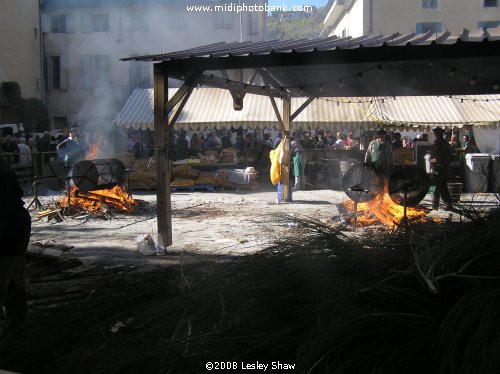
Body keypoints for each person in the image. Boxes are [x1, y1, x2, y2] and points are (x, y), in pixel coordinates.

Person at [0, 157, 31, 335]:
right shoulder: (3, 164)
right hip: (18, 222)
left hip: (8, 226)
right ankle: (18, 326)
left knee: (4, 282)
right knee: (15, 282)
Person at [430, 127, 452, 211]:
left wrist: (433, 161)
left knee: (434, 186)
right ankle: (448, 204)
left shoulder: (439, 143)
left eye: (436, 133)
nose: (435, 135)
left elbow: (438, 157)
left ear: (437, 134)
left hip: (438, 168)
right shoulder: (445, 143)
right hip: (443, 168)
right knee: (443, 187)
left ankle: (434, 205)